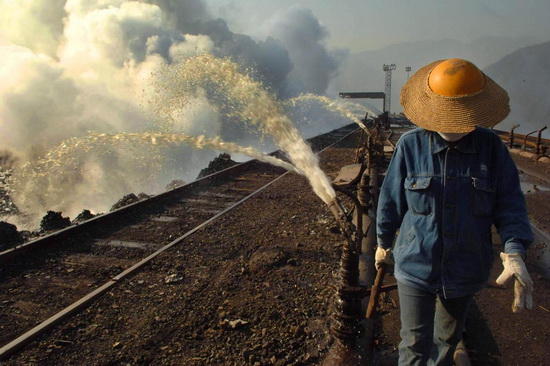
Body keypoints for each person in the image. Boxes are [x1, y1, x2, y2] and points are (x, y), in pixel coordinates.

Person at [374, 58, 534, 366]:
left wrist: (514, 251)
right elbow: (390, 201)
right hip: (416, 265)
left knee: (446, 342)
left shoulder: (492, 150)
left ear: (476, 111)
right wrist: (383, 243)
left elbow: (511, 204)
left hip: (465, 267)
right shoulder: (411, 146)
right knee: (412, 344)